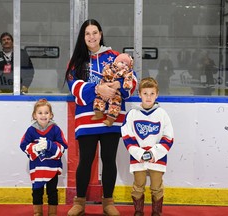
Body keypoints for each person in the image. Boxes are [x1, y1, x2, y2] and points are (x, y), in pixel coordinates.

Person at [64, 19, 137, 216]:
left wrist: (116, 87)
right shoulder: (77, 61)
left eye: (94, 32)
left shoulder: (115, 56)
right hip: (87, 117)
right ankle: (79, 202)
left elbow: (132, 79)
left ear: (101, 33)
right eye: (87, 33)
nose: (91, 37)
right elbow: (74, 86)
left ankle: (108, 202)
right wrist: (98, 88)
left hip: (111, 118)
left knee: (109, 159)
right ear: (83, 37)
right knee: (86, 159)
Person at [121, 77, 174, 216]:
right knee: (138, 186)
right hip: (138, 158)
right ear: (139, 94)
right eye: (145, 93)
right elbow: (127, 136)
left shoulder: (162, 114)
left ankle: (156, 212)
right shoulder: (132, 114)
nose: (148, 97)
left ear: (157, 94)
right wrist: (139, 153)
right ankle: (138, 211)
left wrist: (153, 153)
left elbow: (168, 137)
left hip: (157, 158)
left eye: (152, 93)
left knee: (156, 187)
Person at [20, 99, 68, 216]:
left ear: (51, 115)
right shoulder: (31, 130)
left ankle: (52, 213)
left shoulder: (55, 129)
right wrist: (35, 147)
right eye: (40, 113)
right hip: (37, 169)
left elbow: (63, 145)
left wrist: (50, 145)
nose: (43, 115)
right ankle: (37, 212)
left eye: (46, 113)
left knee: (52, 191)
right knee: (37, 191)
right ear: (34, 115)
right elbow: (23, 145)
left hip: (51, 168)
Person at [91, 53, 134, 126]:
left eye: (126, 64)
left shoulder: (127, 72)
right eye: (122, 62)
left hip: (115, 92)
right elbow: (104, 73)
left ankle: (110, 120)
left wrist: (124, 85)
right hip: (104, 87)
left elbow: (129, 79)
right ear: (116, 62)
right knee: (99, 99)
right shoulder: (109, 67)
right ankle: (98, 113)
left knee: (115, 105)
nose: (124, 65)